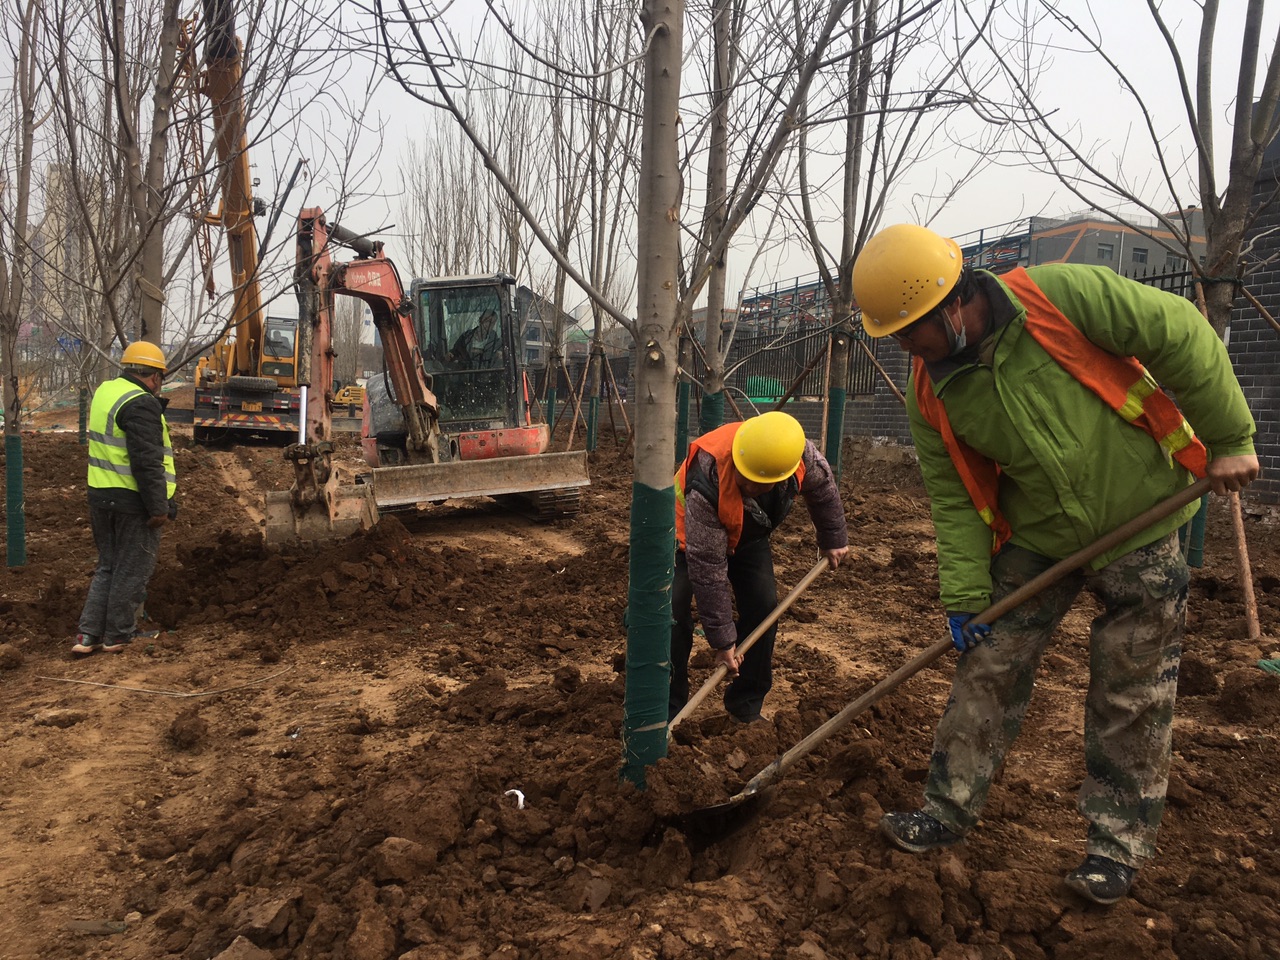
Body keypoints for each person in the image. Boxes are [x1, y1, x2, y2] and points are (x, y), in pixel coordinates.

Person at [852, 223, 1259, 905]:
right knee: (988, 665)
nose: (901, 347)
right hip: (1038, 536)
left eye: (907, 331)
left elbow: (1181, 330)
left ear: (952, 305)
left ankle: (1115, 848)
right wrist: (964, 593)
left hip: (1142, 517)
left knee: (1131, 687)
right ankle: (946, 811)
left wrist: (1230, 434)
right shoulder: (932, 390)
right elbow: (953, 496)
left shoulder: (1060, 296)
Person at [671, 410, 849, 724]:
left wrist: (833, 537)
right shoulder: (708, 477)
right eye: (743, 476)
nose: (745, 484)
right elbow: (709, 567)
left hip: (746, 534)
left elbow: (823, 489)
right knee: (672, 613)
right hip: (687, 538)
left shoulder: (797, 454)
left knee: (763, 606)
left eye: (755, 483)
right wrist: (723, 641)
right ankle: (667, 708)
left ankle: (746, 704)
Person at [71, 341, 178, 656]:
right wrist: (159, 507)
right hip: (133, 502)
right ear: (155, 375)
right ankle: (118, 634)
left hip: (101, 497)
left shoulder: (106, 391)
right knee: (131, 569)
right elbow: (146, 461)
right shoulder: (141, 403)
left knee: (108, 566)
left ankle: (88, 635)